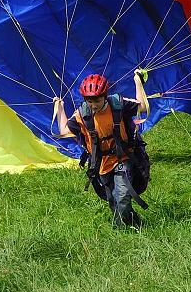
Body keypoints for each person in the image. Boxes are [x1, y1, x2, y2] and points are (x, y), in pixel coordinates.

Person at [54, 71, 149, 229]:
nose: (93, 105)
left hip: (123, 159)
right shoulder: (82, 114)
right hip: (101, 164)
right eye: (89, 101)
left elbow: (143, 106)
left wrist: (137, 81)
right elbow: (64, 131)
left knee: (122, 197)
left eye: (97, 100)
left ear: (105, 96)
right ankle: (130, 226)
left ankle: (130, 229)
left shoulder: (118, 104)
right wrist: (60, 108)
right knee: (112, 199)